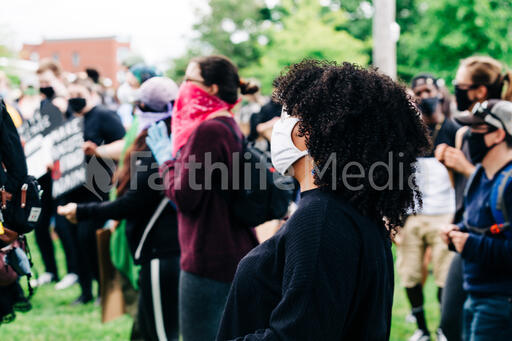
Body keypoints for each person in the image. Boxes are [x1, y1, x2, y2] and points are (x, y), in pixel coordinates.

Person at [216, 59, 431, 340]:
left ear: (308, 134)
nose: (277, 126)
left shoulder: (320, 220)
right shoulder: (348, 210)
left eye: (285, 115)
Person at [146, 55, 260, 340]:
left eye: (188, 80)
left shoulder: (209, 130)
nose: (182, 87)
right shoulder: (226, 123)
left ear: (211, 88)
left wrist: (166, 163)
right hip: (228, 249)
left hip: (208, 256)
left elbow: (185, 197)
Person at [59, 76, 180, 339]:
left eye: (142, 107)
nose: (138, 112)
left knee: (160, 333)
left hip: (163, 251)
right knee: (142, 332)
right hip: (152, 251)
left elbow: (134, 202)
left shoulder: (163, 146)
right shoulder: (152, 138)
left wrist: (82, 212)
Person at [436, 55, 512, 341]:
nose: (455, 89)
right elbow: (471, 195)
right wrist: (461, 231)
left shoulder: (506, 171)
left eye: (460, 84)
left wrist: (466, 168)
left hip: (497, 283)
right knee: (454, 321)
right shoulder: (467, 133)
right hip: (471, 246)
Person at [395, 74, 460, 341]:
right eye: (418, 91)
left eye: (428, 90)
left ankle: (444, 329)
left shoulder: (453, 129)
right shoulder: (406, 132)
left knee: (445, 278)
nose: (424, 96)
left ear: (439, 93)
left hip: (445, 212)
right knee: (410, 276)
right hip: (413, 215)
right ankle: (422, 329)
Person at [63, 78, 125, 304]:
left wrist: (98, 151)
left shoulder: (104, 116)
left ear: (89, 93)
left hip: (95, 189)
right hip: (70, 188)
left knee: (91, 240)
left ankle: (103, 290)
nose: (73, 99)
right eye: (69, 94)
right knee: (75, 242)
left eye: (77, 93)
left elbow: (124, 146)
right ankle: (85, 290)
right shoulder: (69, 118)